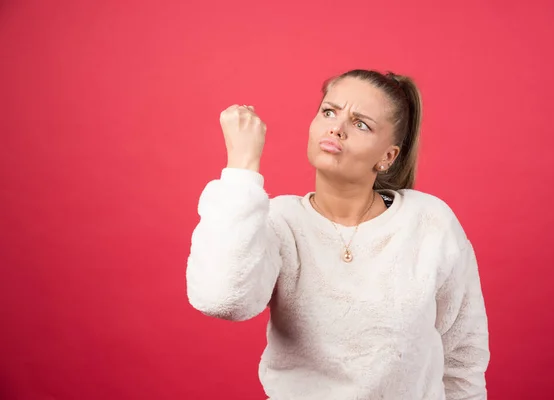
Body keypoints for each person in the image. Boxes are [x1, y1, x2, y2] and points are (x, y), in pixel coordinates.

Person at [186, 69, 490, 399]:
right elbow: (223, 299)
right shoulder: (279, 222)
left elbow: (463, 359)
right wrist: (242, 167)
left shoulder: (430, 222)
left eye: (361, 123)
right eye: (329, 111)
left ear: (388, 156)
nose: (337, 128)